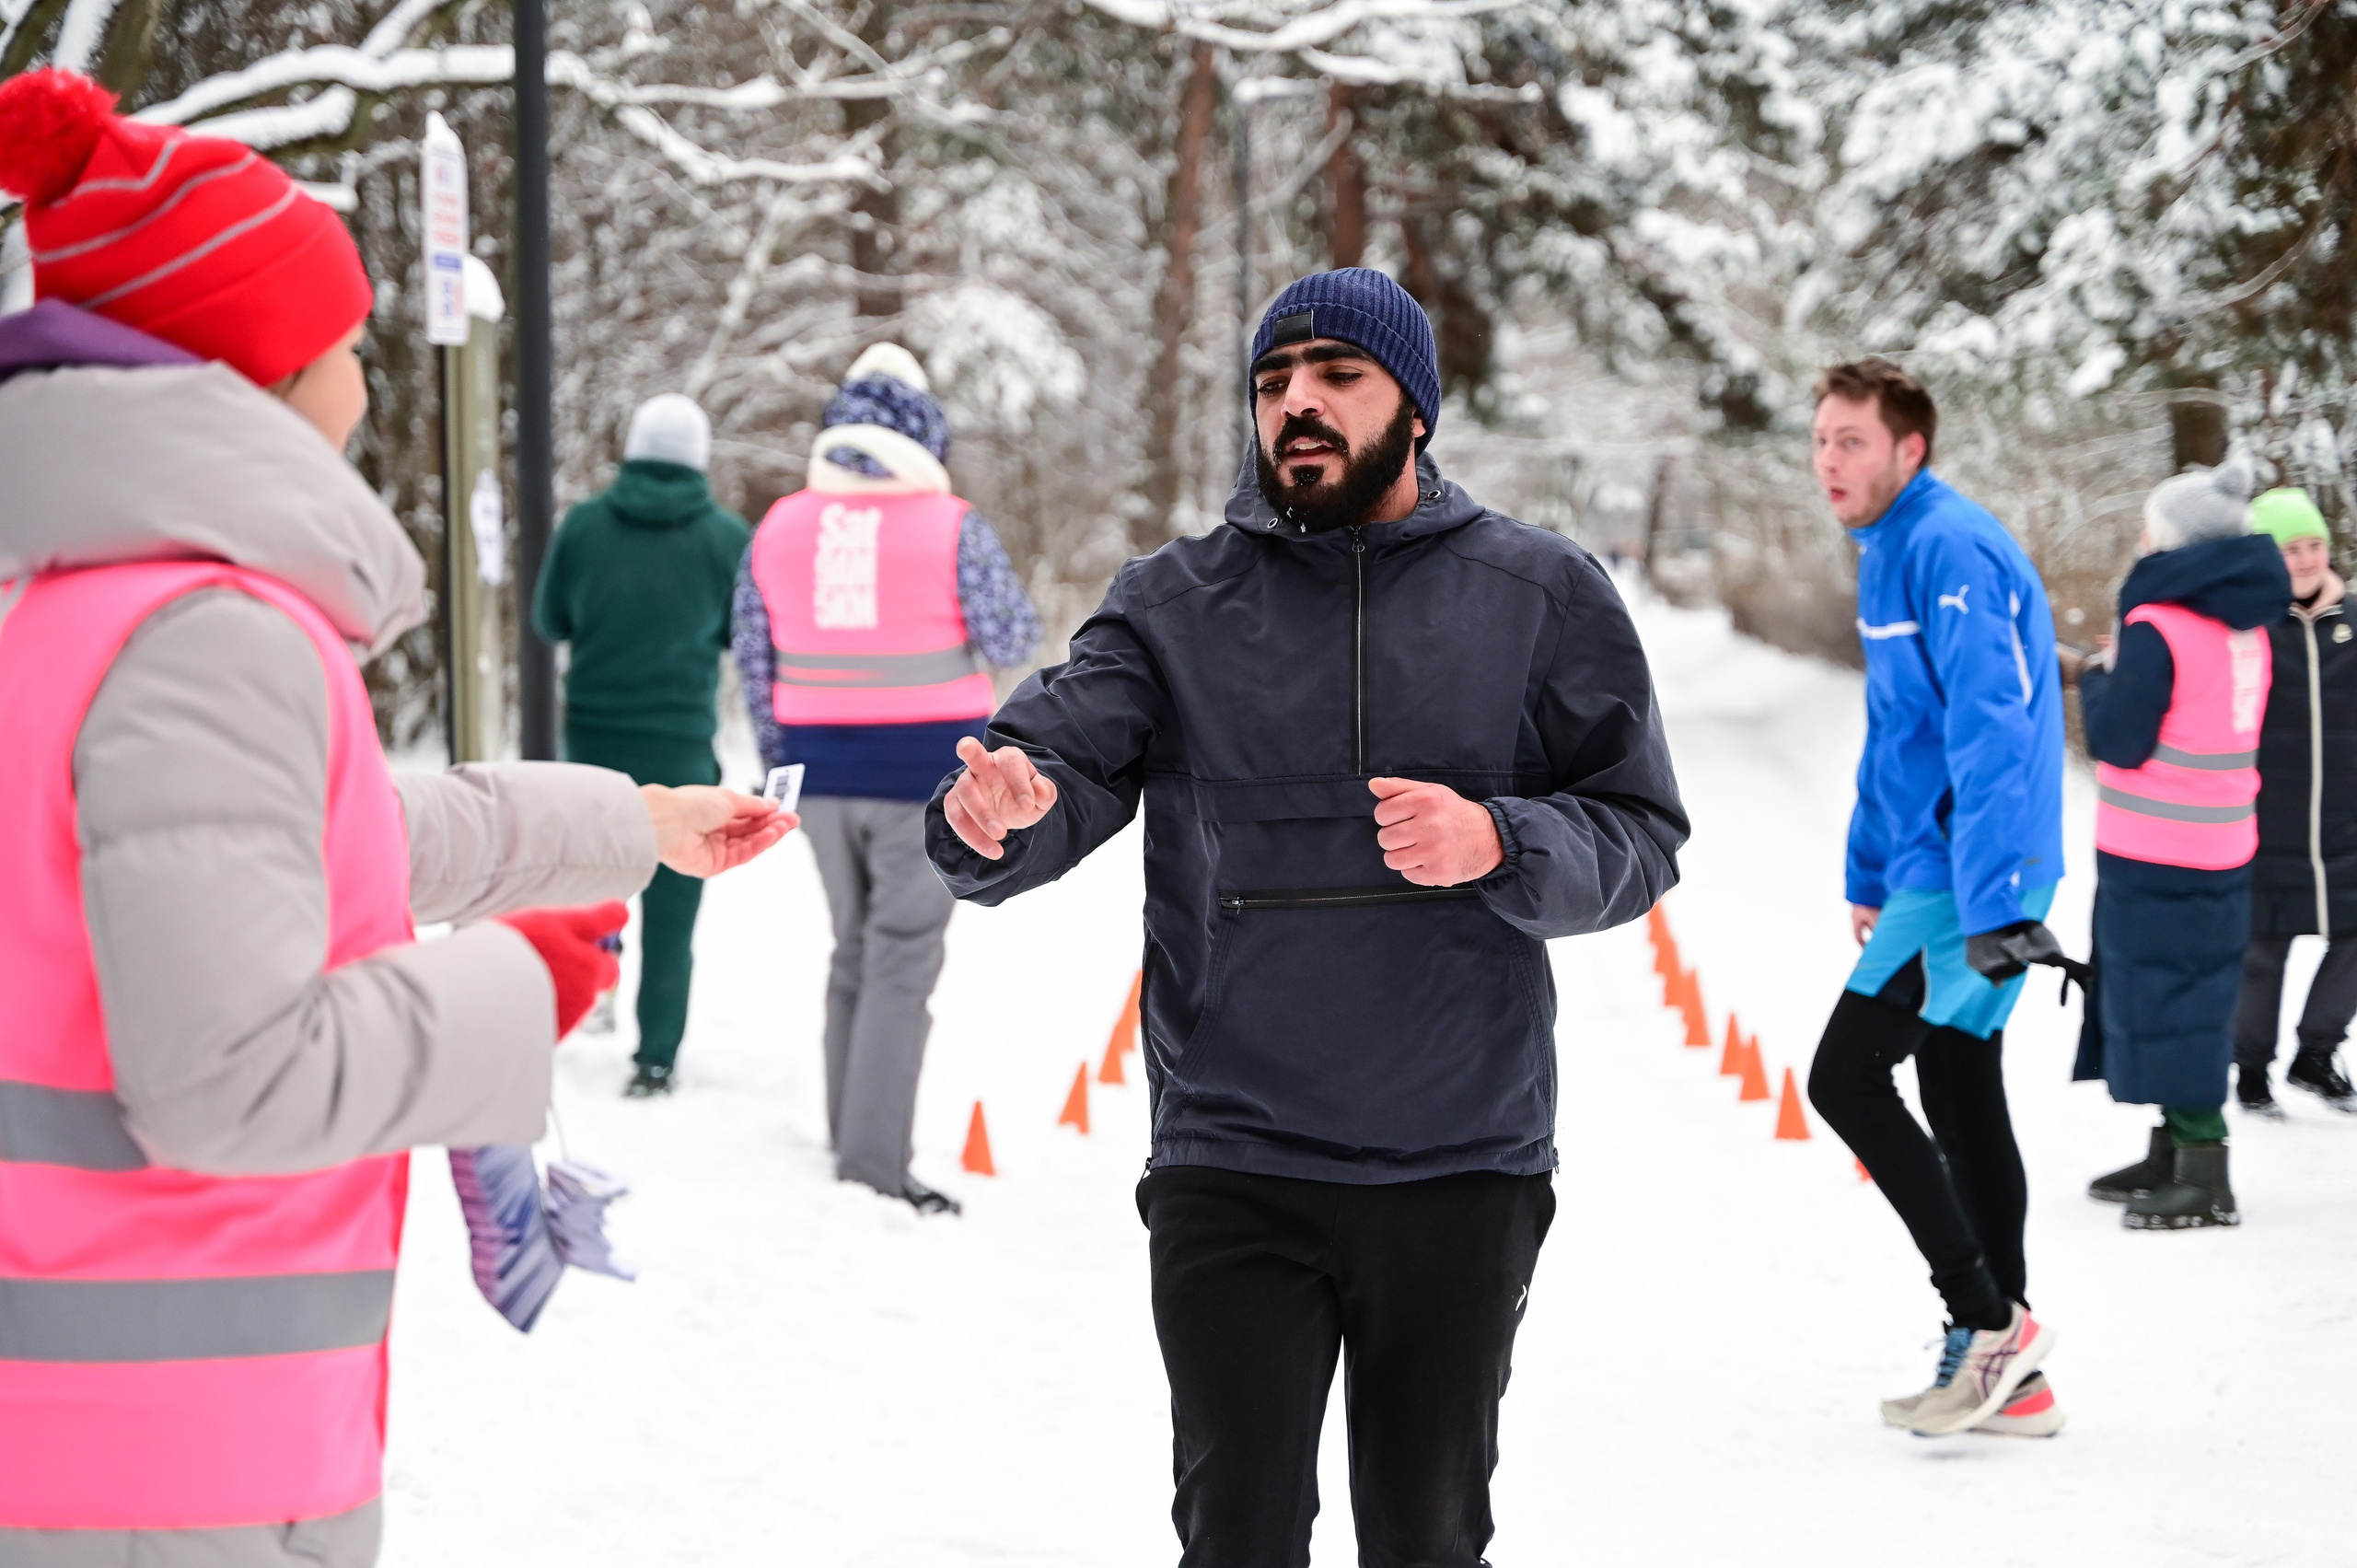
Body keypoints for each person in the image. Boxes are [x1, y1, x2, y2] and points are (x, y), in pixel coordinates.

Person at [0, 70, 790, 1568]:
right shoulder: (204, 633)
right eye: (344, 341)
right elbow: (223, 1074)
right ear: (260, 373)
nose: (364, 377)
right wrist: (518, 984)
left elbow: (319, 838)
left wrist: (631, 823)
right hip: (163, 1461)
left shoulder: (74, 606)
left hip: (99, 1433)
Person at [926, 268, 1686, 1564]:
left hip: (1461, 1156)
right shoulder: (1172, 602)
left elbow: (1640, 833)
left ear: (1416, 408)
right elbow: (1064, 766)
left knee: (1426, 1534)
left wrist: (1499, 835)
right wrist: (996, 814)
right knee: (1236, 1537)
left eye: (1338, 377)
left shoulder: (1541, 592)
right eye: (1276, 382)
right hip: (1236, 1153)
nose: (1299, 406)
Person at [1799, 358, 2072, 1439]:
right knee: (1957, 1083)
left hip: (1974, 869)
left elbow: (1991, 727)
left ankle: (1986, 1318)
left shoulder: (1946, 544)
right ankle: (2012, 1373)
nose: (1829, 458)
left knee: (1847, 1076)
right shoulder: (1887, 549)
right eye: (1820, 438)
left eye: (1850, 440)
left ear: (1909, 448)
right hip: (1935, 864)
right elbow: (1898, 733)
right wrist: (1869, 867)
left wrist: (1994, 892)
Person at [735, 344, 1040, 1214]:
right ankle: (872, 1166)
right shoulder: (950, 525)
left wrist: (778, 762)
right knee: (903, 958)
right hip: (928, 776)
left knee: (854, 948)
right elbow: (1014, 634)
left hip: (818, 771)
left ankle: (849, 1131)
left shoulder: (780, 525)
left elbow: (755, 661)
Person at [2078, 463, 2291, 1226]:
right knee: (2192, 994)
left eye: (2152, 527)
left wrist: (2100, 677)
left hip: (2153, 845)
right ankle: (2176, 1143)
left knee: (2165, 995)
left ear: (2174, 538)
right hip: (2223, 842)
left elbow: (2120, 740)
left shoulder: (2156, 624)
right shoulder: (2246, 623)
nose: (2144, 539)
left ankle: (2204, 1169)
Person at [534, 393, 753, 1096]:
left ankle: (569, 1009)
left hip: (594, 741)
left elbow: (549, 617)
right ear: (698, 459)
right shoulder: (726, 539)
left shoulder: (586, 526)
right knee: (672, 902)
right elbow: (741, 635)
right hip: (681, 743)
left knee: (586, 885)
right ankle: (655, 1056)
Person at [2231, 487, 2357, 1115]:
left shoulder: (2354, 623)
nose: (2306, 559)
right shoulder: (2247, 628)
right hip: (2265, 823)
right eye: (2290, 549)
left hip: (2345, 823)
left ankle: (2317, 1053)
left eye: (2313, 546)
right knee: (2262, 951)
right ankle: (2250, 1068)